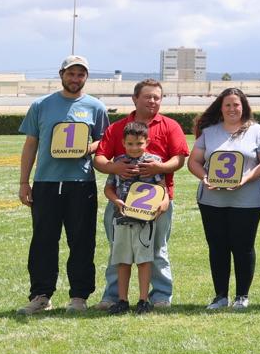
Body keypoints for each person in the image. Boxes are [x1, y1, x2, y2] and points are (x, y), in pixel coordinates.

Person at [17, 55, 110, 314]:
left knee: (82, 240)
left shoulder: (96, 107)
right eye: (71, 73)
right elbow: (30, 144)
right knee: (43, 240)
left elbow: (105, 142)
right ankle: (41, 296)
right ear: (61, 75)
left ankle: (79, 296)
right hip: (46, 183)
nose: (75, 79)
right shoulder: (41, 105)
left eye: (80, 74)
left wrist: (87, 148)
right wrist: (24, 182)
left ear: (86, 77)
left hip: (80, 184)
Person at [94, 78, 188, 309]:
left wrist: (159, 168)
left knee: (157, 248)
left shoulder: (170, 126)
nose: (153, 101)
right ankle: (113, 296)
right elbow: (99, 158)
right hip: (121, 203)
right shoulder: (117, 128)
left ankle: (160, 296)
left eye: (157, 97)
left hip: (157, 202)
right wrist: (114, 167)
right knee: (118, 248)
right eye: (147, 96)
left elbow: (179, 158)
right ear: (135, 99)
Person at [189, 88, 260, 310]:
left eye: (236, 104)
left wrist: (246, 178)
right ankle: (220, 296)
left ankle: (242, 296)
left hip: (247, 200)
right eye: (227, 105)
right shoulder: (209, 132)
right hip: (212, 200)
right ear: (221, 107)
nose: (232, 109)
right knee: (217, 247)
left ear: (243, 106)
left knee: (243, 247)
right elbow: (193, 161)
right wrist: (205, 177)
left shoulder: (257, 131)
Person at [102, 122, 168, 315]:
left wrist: (164, 202)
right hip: (122, 218)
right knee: (122, 260)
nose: (134, 148)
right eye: (130, 143)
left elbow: (162, 188)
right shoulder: (119, 161)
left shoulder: (153, 161)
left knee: (144, 261)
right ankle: (122, 300)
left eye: (139, 143)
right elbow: (108, 188)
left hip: (145, 220)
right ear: (123, 142)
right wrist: (116, 200)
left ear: (147, 142)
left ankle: (143, 300)